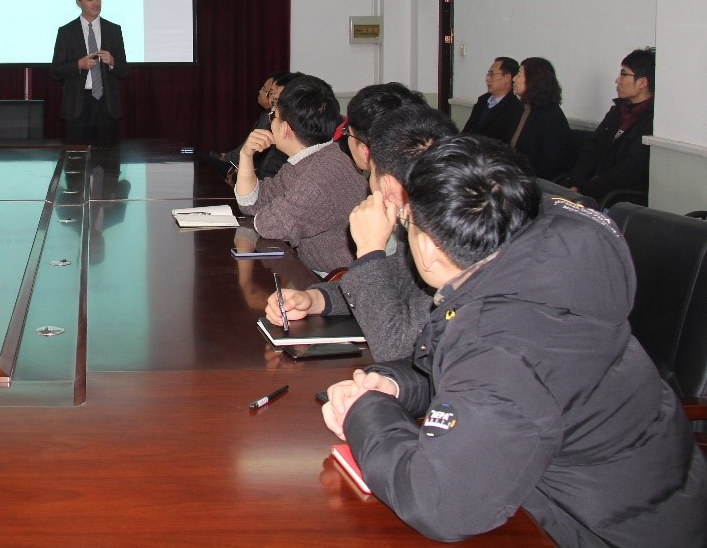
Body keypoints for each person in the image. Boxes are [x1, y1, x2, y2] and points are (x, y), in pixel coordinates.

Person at [320, 135, 707, 545]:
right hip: (634, 504)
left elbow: (440, 502)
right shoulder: (539, 268)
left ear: (429, 249)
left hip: (605, 533)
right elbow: (503, 393)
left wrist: (366, 413)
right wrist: (397, 386)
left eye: (407, 222)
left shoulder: (503, 337)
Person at [264, 88, 448, 362]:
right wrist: (315, 300)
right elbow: (391, 282)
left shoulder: (443, 238)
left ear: (386, 184)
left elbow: (394, 346)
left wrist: (370, 251)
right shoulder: (422, 218)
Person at [235, 76, 366, 274]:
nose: (270, 123)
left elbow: (270, 225)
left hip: (337, 281)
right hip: (316, 274)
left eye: (273, 117)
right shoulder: (313, 158)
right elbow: (252, 203)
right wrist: (246, 155)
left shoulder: (320, 175)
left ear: (285, 129)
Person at [562, 47, 656, 204]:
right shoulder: (618, 111)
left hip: (617, 199)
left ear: (642, 82)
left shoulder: (651, 120)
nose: (617, 80)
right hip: (590, 191)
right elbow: (592, 148)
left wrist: (586, 189)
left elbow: (629, 169)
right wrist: (576, 182)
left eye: (624, 74)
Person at [50, 0, 130, 145]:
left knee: (107, 158)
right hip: (78, 105)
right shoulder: (66, 32)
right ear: (78, 2)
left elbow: (124, 70)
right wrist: (78, 65)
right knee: (77, 158)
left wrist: (112, 61)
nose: (95, 3)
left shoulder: (114, 30)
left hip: (107, 105)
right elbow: (55, 71)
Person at [509, 56, 573, 179]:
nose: (514, 79)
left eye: (519, 75)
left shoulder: (551, 116)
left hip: (534, 181)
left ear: (533, 81)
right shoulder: (522, 109)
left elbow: (549, 164)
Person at [460, 56, 522, 143]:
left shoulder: (515, 108)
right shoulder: (482, 100)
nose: (487, 79)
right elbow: (467, 130)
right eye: (488, 74)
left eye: (492, 74)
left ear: (507, 78)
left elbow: (504, 143)